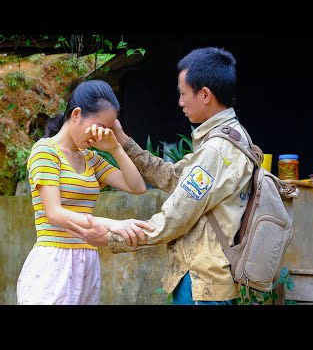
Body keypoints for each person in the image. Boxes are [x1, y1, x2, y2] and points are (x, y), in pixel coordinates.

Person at [65, 47, 254, 305]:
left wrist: (111, 237)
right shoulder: (230, 137)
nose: (180, 102)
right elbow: (173, 177)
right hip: (208, 279)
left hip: (202, 283)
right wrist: (123, 141)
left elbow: (176, 216)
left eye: (183, 94)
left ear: (205, 95)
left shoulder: (217, 150)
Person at [16, 79, 152, 305]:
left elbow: (137, 187)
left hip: (87, 261)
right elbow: (55, 213)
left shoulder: (91, 159)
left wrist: (116, 147)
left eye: (107, 129)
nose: (100, 135)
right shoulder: (45, 151)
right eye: (99, 126)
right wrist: (112, 224)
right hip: (54, 261)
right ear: (77, 114)